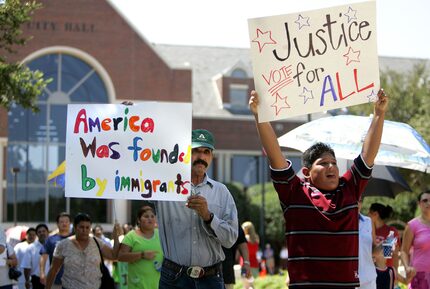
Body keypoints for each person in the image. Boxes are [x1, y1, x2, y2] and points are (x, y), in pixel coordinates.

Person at [249, 88, 388, 288]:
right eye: (323, 163)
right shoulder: (294, 192)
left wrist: (379, 113)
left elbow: (367, 155)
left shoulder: (349, 188)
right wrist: (259, 114)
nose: (331, 166)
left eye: (334, 163)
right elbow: (275, 155)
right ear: (306, 172)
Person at [156, 129, 238, 289]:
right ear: (185, 153)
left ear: (212, 156)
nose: (201, 157)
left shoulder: (222, 192)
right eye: (196, 151)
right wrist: (131, 118)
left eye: (206, 152)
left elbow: (230, 239)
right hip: (173, 278)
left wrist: (208, 217)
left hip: (211, 279)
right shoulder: (165, 187)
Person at [45, 213, 120, 289]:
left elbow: (114, 256)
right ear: (75, 227)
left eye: (87, 227)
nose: (84, 230)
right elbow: (53, 270)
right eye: (81, 227)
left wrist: (116, 237)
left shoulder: (97, 243)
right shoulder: (63, 245)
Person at [118, 206, 163, 289]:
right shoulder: (131, 236)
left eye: (152, 216)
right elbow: (120, 256)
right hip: (137, 285)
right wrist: (142, 255)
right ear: (139, 220)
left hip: (158, 285)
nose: (150, 219)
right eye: (146, 216)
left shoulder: (161, 235)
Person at [400, 190, 430, 289]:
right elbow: (404, 250)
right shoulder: (412, 225)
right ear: (419, 204)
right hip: (419, 277)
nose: (428, 203)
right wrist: (407, 267)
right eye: (425, 200)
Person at [40, 212, 72, 289]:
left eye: (66, 221)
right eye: (61, 222)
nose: (64, 224)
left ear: (70, 223)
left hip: (73, 280)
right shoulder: (50, 240)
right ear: (57, 224)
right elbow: (43, 257)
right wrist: (42, 273)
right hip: (55, 280)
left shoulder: (76, 239)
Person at [368, 203, 401, 276]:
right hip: (369, 271)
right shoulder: (366, 231)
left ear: (375, 214)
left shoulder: (391, 231)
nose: (367, 216)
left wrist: (395, 273)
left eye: (369, 213)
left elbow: (388, 254)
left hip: (385, 272)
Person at [22, 224, 50, 289]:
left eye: (43, 231)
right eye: (39, 232)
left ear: (47, 232)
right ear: (37, 234)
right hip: (37, 280)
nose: (42, 233)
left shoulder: (54, 245)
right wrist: (27, 281)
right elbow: (26, 266)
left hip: (53, 279)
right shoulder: (31, 248)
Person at [357, 198, 377, 289]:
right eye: (354, 199)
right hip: (346, 279)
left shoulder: (368, 221)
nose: (357, 203)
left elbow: (373, 249)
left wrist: (385, 245)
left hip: (368, 279)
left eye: (360, 200)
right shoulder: (339, 222)